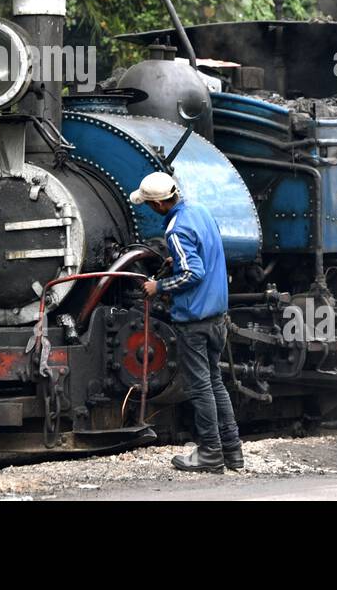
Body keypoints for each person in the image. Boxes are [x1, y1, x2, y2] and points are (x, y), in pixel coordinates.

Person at [133, 171, 243, 473]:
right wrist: (175, 261)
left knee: (200, 388)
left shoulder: (176, 229)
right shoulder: (201, 211)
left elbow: (194, 273)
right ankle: (233, 451)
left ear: (158, 205)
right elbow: (204, 255)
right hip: (217, 314)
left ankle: (210, 452)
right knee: (215, 382)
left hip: (194, 320)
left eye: (149, 205)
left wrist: (159, 287)